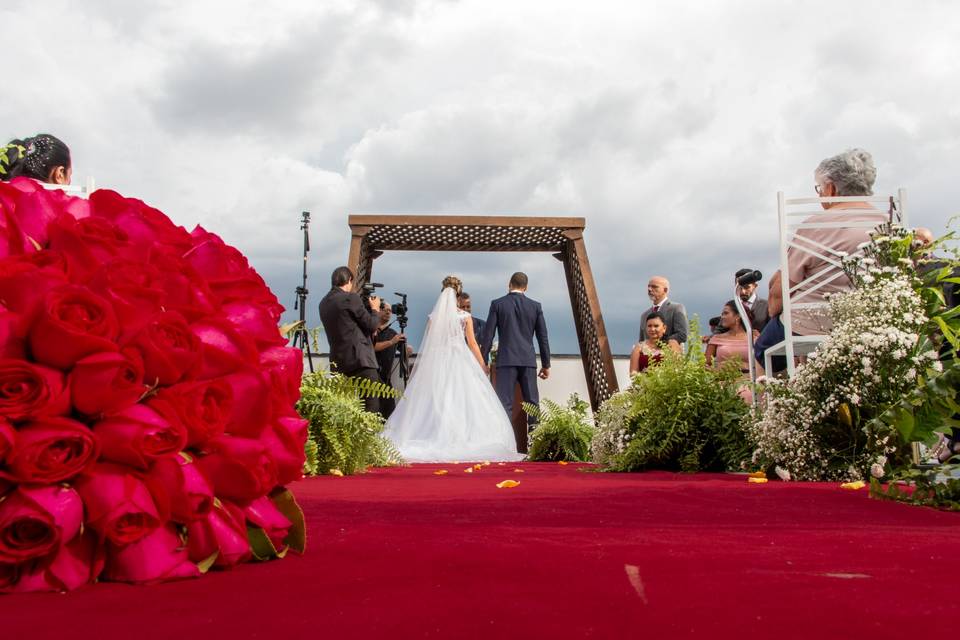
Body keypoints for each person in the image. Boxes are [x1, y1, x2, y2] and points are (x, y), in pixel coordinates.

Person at [756, 148, 887, 370]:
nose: (819, 195)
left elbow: (779, 292)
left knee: (763, 349)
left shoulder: (816, 225)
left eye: (820, 188)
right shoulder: (888, 223)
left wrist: (773, 312)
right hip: (873, 323)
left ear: (832, 188)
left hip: (812, 324)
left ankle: (774, 401)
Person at [384, 276, 522, 462]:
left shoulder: (433, 317)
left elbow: (429, 343)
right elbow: (472, 343)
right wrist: (482, 364)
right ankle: (463, 437)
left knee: (438, 398)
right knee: (464, 398)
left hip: (438, 360)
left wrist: (422, 366)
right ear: (458, 294)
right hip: (460, 359)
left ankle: (434, 435)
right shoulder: (464, 317)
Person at [480, 272, 551, 441]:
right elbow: (543, 337)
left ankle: (505, 444)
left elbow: (488, 336)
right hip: (527, 361)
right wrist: (546, 364)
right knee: (532, 404)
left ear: (509, 284)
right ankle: (536, 444)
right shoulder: (535, 306)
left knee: (505, 405)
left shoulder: (497, 304)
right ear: (525, 287)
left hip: (506, 360)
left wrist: (483, 361)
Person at [318, 266, 383, 414]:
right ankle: (367, 436)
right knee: (370, 406)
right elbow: (372, 325)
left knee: (343, 410)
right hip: (360, 360)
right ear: (349, 280)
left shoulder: (323, 304)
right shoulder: (350, 298)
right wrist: (375, 309)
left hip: (338, 362)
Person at [373, 305, 406, 419]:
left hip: (386, 380)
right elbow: (372, 347)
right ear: (377, 311)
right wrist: (392, 342)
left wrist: (406, 347)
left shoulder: (392, 333)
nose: (388, 312)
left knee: (390, 415)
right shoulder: (371, 330)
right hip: (372, 377)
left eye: (390, 311)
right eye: (384, 309)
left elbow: (405, 351)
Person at [0, 134, 72, 184]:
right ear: (60, 174)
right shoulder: (66, 205)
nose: (70, 181)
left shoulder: (4, 201)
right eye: (70, 175)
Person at [639, 276, 688, 345]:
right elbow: (641, 341)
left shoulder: (676, 308)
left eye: (654, 287)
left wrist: (658, 344)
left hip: (669, 354)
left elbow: (682, 335)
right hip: (646, 354)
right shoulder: (644, 315)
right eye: (649, 287)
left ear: (665, 290)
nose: (649, 289)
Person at [734, 268, 768, 333]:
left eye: (746, 287)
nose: (743, 292)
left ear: (755, 286)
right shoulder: (731, 307)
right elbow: (720, 330)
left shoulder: (767, 306)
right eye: (739, 288)